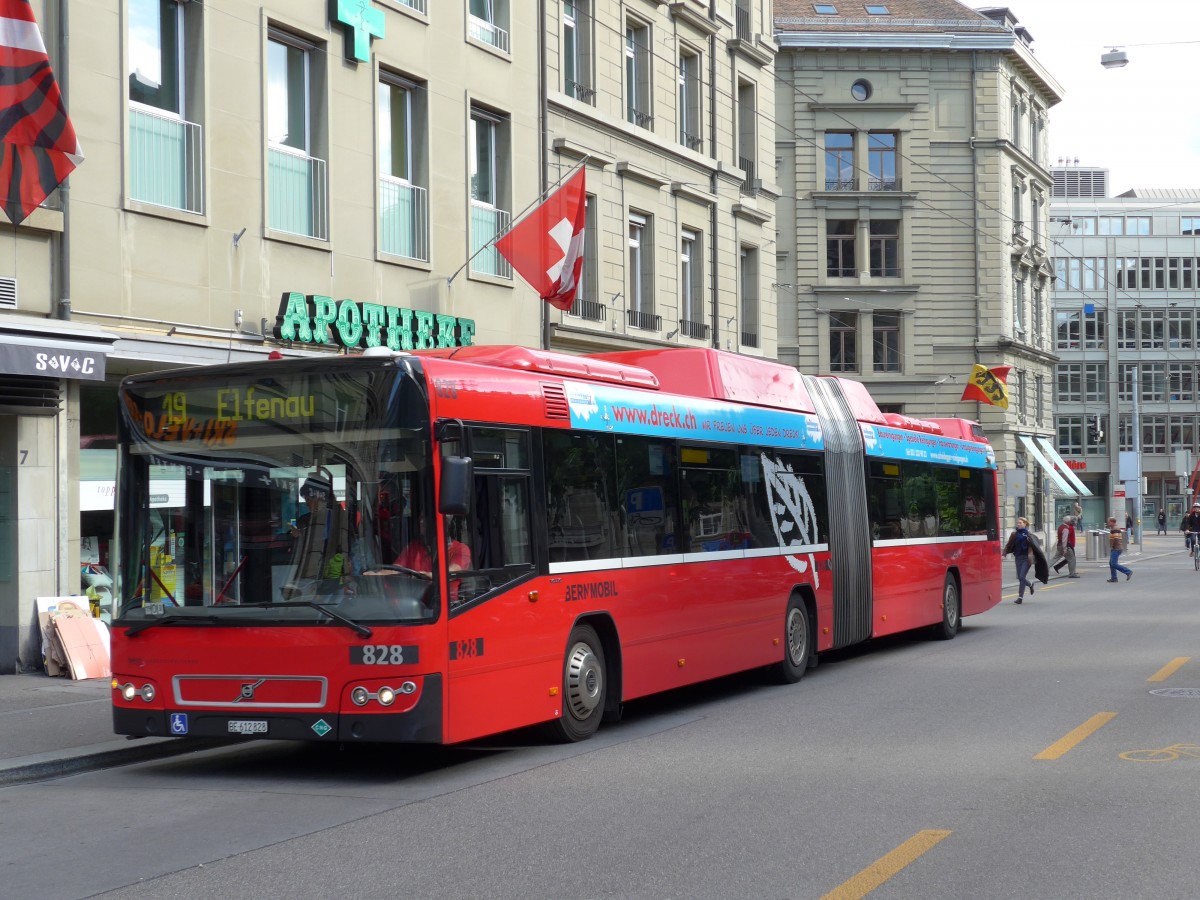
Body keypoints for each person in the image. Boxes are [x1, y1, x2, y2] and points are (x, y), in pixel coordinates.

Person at [285, 471, 348, 596]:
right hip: (308, 576)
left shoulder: (339, 518)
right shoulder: (304, 520)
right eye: (306, 500)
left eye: (309, 499)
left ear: (320, 496)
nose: (307, 503)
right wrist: (294, 536)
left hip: (332, 576)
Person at [1003, 517, 1040, 604]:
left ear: (1025, 524)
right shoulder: (1014, 534)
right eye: (1018, 523)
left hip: (1027, 558)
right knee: (1021, 578)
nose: (1018, 524)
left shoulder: (1029, 535)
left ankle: (1020, 598)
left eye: (1020, 523)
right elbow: (1008, 545)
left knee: (1021, 577)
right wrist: (1004, 554)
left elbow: (1036, 547)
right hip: (1018, 557)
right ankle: (1030, 585)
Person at [1107, 515, 1132, 582]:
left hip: (1116, 548)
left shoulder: (1115, 529)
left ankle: (1128, 571)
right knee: (1111, 563)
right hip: (1117, 548)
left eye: (1109, 522)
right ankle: (1114, 578)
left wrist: (1113, 547)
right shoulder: (1115, 528)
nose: (1108, 523)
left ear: (1112, 522)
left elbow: (1116, 538)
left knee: (1114, 564)